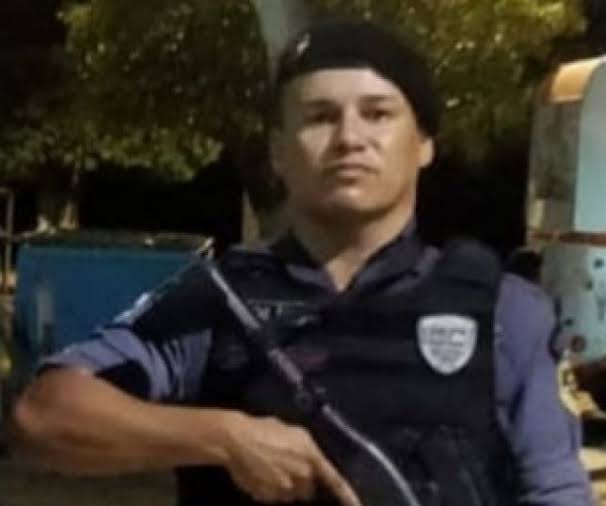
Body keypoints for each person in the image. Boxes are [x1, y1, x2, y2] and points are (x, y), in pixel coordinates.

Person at [7, 19, 594, 506]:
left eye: (378, 113)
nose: (348, 138)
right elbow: (42, 416)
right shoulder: (220, 302)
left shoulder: (503, 309)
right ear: (279, 152)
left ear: (423, 143)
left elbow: (558, 491)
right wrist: (222, 436)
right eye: (319, 116)